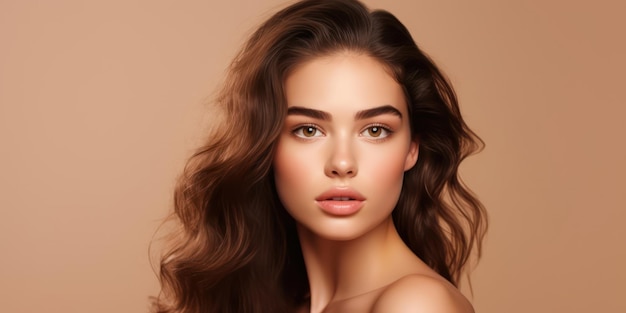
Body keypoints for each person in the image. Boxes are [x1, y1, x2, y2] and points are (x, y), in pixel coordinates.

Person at [152, 0, 487, 312]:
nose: (342, 164)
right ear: (266, 145)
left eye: (375, 130)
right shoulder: (291, 302)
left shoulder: (416, 304)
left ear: (412, 148)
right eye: (309, 130)